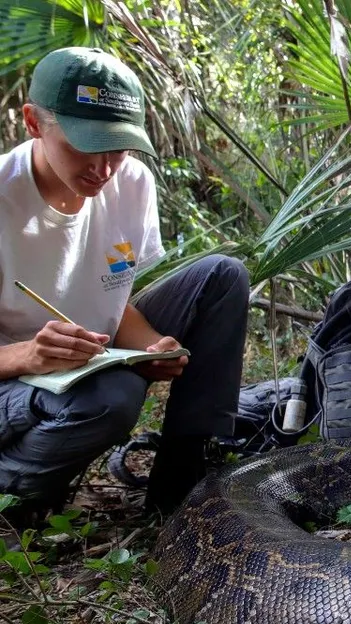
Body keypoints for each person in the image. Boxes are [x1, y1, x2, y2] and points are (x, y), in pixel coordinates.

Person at [0, 47, 250, 525]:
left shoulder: (131, 183)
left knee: (222, 275)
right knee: (112, 394)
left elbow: (112, 300)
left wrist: (153, 347)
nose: (103, 168)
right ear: (33, 123)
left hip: (84, 360)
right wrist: (27, 355)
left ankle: (183, 476)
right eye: (83, 144)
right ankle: (14, 497)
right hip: (14, 383)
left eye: (117, 146)